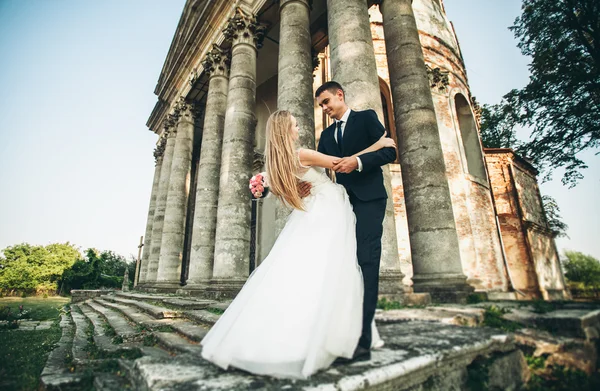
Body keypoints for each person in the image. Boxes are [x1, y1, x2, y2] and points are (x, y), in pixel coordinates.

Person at [200, 110, 396, 379]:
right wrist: (380, 144)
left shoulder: (277, 165)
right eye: (294, 124)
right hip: (329, 209)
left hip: (310, 212)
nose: (298, 127)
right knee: (335, 269)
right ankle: (337, 335)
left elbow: (289, 189)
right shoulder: (302, 154)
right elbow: (342, 163)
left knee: (304, 270)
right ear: (286, 130)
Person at [316, 81, 397, 362]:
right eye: (321, 106)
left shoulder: (366, 118)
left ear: (340, 95)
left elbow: (389, 151)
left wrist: (358, 163)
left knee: (367, 260)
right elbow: (324, 170)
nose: (324, 108)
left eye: (326, 102)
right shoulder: (325, 135)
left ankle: (362, 342)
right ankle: (341, 333)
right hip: (340, 204)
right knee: (342, 265)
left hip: (369, 200)